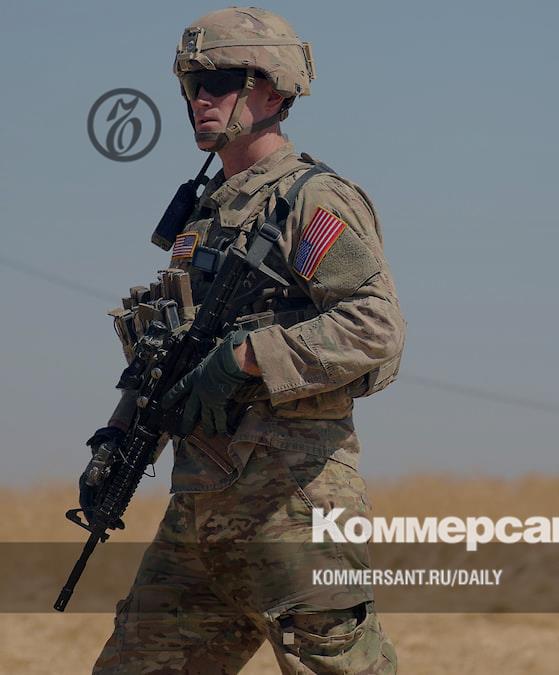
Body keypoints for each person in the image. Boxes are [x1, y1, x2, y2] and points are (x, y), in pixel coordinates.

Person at [89, 7, 403, 673]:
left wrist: (244, 358)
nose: (199, 98)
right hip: (200, 514)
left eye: (220, 80)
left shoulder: (309, 201)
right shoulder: (207, 215)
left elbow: (374, 325)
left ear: (274, 90)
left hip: (294, 508)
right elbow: (169, 356)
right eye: (190, 83)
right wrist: (116, 438)